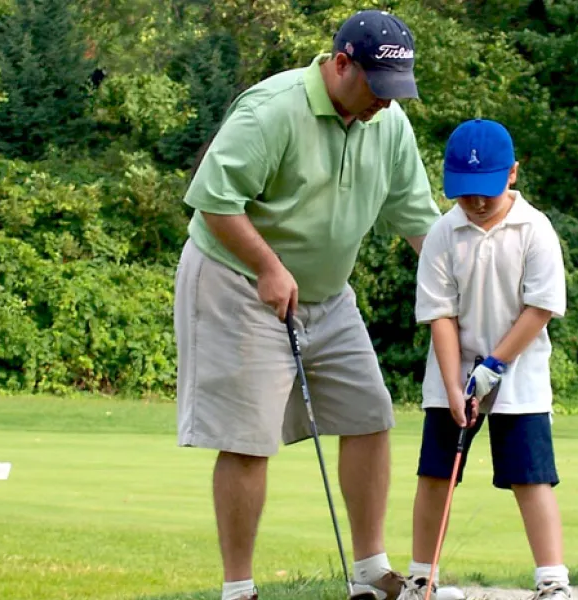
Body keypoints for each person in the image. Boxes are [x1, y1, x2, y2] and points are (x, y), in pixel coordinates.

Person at [172, 9, 441, 600]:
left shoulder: (388, 123)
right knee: (248, 438)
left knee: (370, 414)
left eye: (396, 91)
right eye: (378, 86)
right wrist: (269, 267)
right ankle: (238, 588)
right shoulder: (272, 109)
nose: (386, 102)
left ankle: (370, 571)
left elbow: (419, 220)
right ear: (341, 64)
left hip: (327, 293)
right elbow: (215, 200)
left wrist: (457, 289)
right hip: (237, 281)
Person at [402, 119, 573, 600]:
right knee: (437, 473)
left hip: (520, 374)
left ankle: (552, 581)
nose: (476, 202)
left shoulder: (535, 230)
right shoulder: (443, 233)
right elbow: (440, 314)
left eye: (487, 191)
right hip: (451, 372)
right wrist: (457, 387)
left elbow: (539, 307)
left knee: (531, 475)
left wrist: (494, 366)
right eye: (465, 192)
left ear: (513, 174)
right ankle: (421, 579)